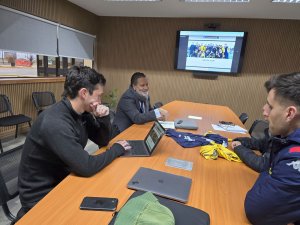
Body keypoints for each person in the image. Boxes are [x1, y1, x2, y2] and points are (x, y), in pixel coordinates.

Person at [16, 66, 131, 221]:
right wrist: (117, 149)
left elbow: (102, 141)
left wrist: (102, 118)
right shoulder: (55, 122)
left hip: (65, 178)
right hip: (41, 196)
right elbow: (86, 166)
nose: (100, 101)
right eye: (98, 96)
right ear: (84, 93)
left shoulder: (82, 112)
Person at [244, 72, 300, 225]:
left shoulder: (295, 156)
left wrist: (268, 172)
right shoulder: (285, 139)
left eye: (270, 106)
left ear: (289, 113)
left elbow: (256, 210)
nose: (264, 111)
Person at [111, 72, 168, 138]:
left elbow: (149, 110)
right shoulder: (127, 98)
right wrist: (156, 113)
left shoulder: (145, 95)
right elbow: (137, 118)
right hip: (122, 134)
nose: (146, 88)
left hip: (137, 129)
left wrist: (159, 115)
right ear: (134, 86)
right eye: (142, 85)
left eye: (147, 84)